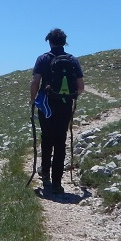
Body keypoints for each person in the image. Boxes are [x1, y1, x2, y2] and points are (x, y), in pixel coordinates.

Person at [30, 28, 84, 194]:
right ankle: (57, 183)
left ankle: (45, 172)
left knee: (47, 138)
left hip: (46, 105)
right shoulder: (72, 60)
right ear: (64, 42)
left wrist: (33, 100)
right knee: (60, 141)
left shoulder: (43, 59)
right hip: (65, 106)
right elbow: (81, 87)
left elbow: (35, 82)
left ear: (49, 41)